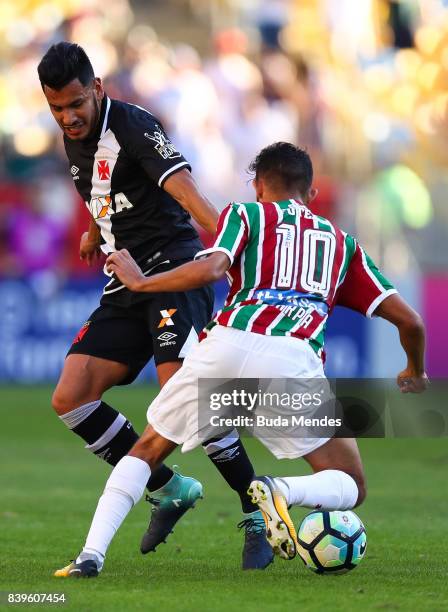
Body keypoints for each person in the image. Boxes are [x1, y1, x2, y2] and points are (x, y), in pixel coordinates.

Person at [55, 141, 427, 577]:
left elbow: (213, 268)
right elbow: (412, 322)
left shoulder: (244, 215)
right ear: (310, 194)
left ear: (258, 187)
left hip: (226, 344)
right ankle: (277, 489)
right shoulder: (342, 245)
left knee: (149, 448)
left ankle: (90, 556)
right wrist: (414, 370)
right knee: (351, 482)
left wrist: (140, 284)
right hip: (291, 359)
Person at [38, 41, 273, 571]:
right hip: (127, 280)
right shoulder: (73, 140)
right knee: (71, 397)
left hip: (172, 273)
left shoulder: (134, 127)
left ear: (97, 88)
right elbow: (115, 198)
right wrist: (97, 234)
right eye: (57, 108)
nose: (68, 117)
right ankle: (168, 488)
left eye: (76, 103)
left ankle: (257, 511)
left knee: (184, 400)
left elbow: (186, 194)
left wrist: (233, 249)